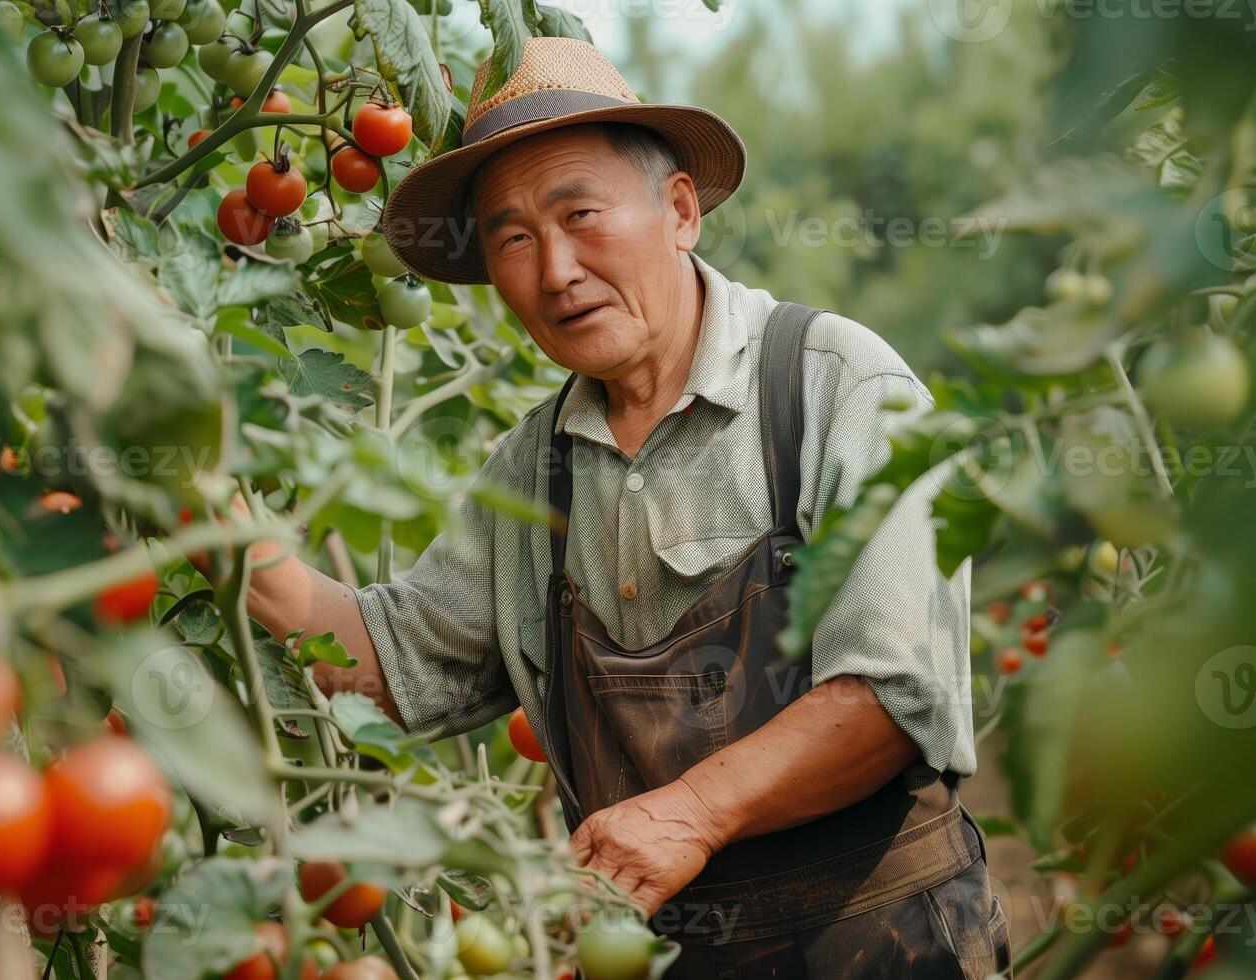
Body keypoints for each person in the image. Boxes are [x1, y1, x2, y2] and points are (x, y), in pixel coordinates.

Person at [232, 36, 1009, 978]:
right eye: (513, 238)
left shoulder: (836, 388)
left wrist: (688, 814)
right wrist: (208, 516)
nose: (554, 269)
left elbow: (894, 695)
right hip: (652, 954)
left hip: (881, 940)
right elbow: (389, 663)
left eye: (581, 214)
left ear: (679, 210)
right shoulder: (531, 469)